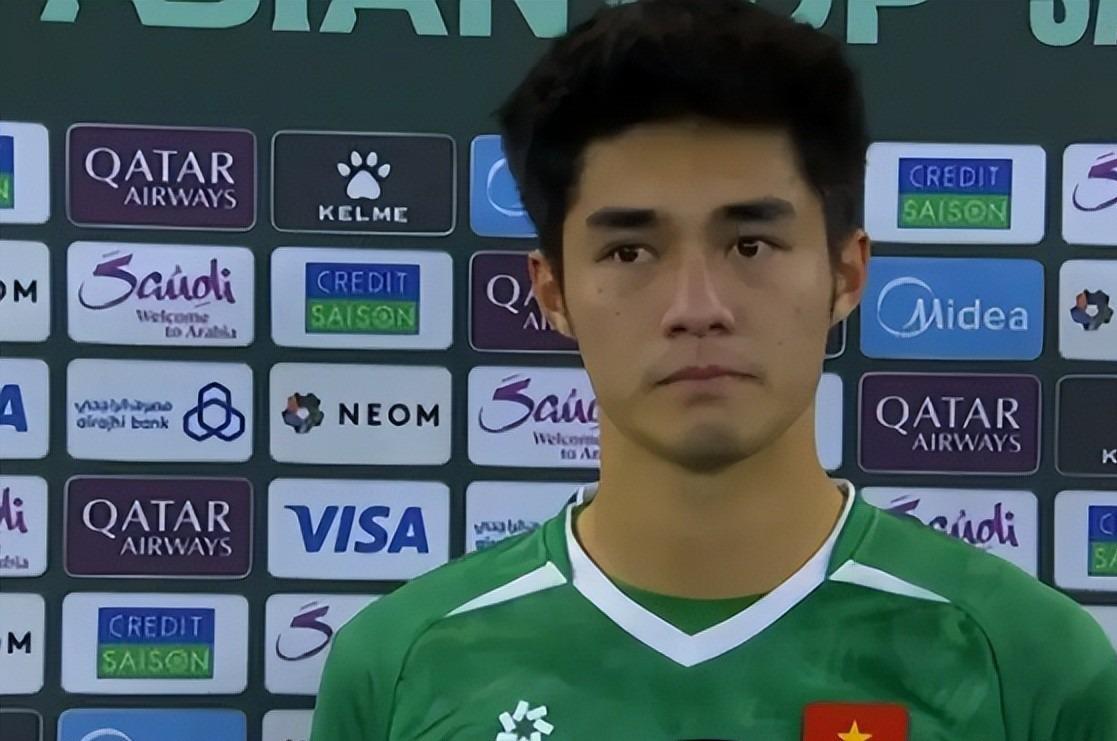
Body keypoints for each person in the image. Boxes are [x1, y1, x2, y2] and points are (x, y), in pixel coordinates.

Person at [309, 1, 1117, 738]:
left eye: (750, 244)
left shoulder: (1028, 664)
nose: (696, 306)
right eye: (629, 251)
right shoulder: (402, 664)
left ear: (845, 273)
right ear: (552, 292)